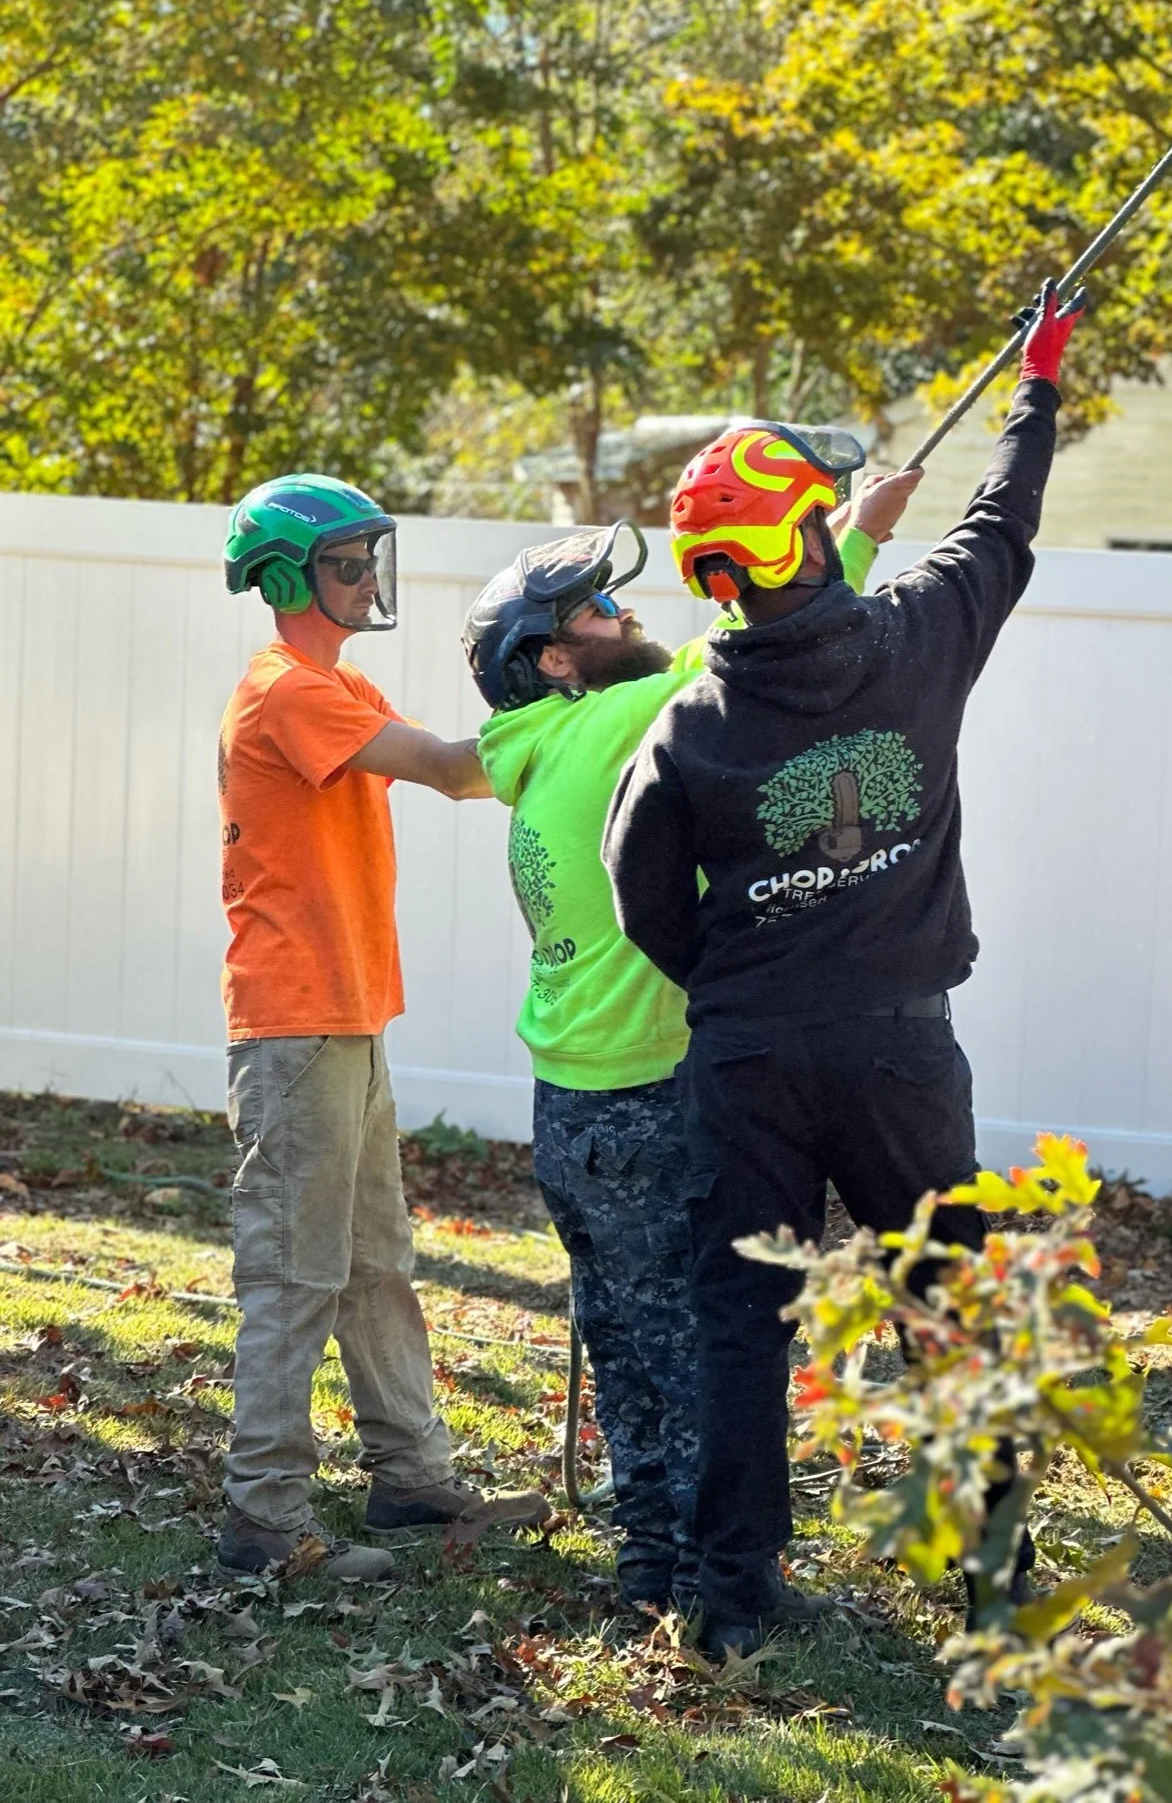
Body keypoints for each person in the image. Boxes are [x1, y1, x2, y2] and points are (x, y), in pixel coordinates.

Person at [602, 284, 1086, 1658]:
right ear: (805, 534)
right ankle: (997, 1591)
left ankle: (732, 1602)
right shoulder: (920, 638)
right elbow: (1004, 521)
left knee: (741, 1324)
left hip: (746, 1059)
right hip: (899, 1055)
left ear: (715, 575)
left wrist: (744, 980)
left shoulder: (690, 722)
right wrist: (1035, 377)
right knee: (952, 1312)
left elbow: (650, 903)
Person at [461, 472, 917, 1613]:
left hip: (567, 1105)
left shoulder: (539, 749)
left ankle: (651, 1563)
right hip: (644, 1092)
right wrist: (853, 533)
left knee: (628, 1342)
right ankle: (711, 1580)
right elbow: (754, 647)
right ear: (555, 660)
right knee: (700, 1345)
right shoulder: (624, 719)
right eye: (599, 615)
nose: (628, 616)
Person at [216, 472, 540, 1580]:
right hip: (296, 1026)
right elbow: (456, 772)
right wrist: (585, 696)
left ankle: (409, 1481)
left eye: (370, 560)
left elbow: (455, 767)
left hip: (346, 1019)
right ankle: (261, 1526)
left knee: (372, 1263)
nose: (367, 580)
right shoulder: (288, 692)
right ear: (283, 575)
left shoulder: (332, 686)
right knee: (296, 1274)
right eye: (348, 564)